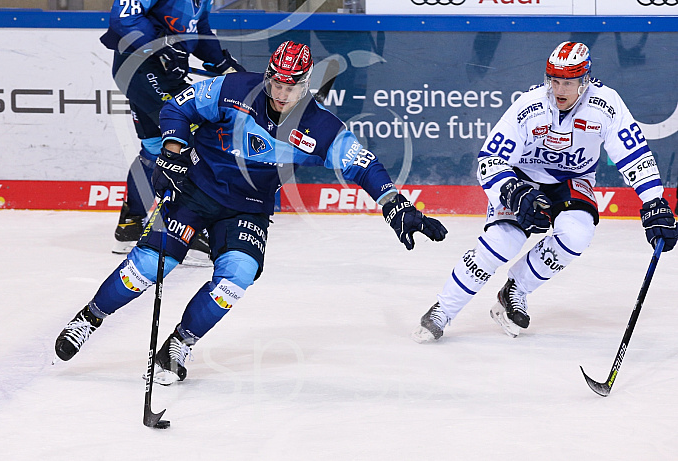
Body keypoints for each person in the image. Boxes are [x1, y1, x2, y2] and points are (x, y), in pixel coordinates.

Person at [55, 41, 447, 384]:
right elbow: (178, 107)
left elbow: (363, 164)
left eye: (289, 86)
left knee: (236, 277)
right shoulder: (235, 89)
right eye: (276, 83)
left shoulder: (320, 126)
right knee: (148, 267)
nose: (280, 93)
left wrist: (395, 203)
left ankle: (178, 346)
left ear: (304, 84)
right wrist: (172, 153)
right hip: (193, 190)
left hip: (248, 209)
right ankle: (89, 319)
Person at [413, 41, 678, 343]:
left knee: (577, 233)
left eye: (568, 82)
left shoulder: (607, 105)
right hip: (522, 178)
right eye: (554, 80)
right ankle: (443, 310)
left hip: (572, 180)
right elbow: (489, 160)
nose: (559, 90)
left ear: (585, 81)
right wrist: (513, 191)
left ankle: (516, 289)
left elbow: (635, 156)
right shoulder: (530, 105)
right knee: (503, 242)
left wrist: (654, 200)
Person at [100, 0, 245, 261]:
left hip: (162, 72)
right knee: (194, 136)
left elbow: (197, 30)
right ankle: (183, 228)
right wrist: (160, 44)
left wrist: (222, 63)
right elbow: (123, 17)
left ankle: (130, 224)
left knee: (155, 147)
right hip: (139, 68)